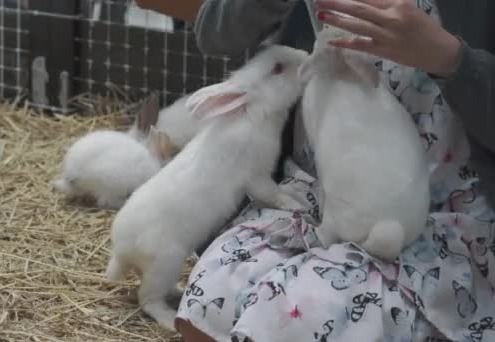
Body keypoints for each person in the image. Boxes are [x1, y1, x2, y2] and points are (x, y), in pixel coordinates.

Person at [175, 1, 495, 341]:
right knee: (210, 299)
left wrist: (449, 58)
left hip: (441, 217)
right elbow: (213, 32)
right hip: (319, 198)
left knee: (298, 316)